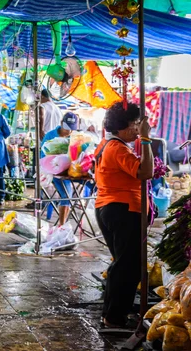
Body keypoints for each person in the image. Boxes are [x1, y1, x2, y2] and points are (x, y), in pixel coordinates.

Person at [95, 102, 153, 328]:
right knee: (128, 266)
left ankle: (111, 313)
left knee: (121, 264)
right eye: (136, 124)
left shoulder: (107, 144)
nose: (139, 128)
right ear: (125, 126)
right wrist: (146, 139)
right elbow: (145, 172)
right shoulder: (117, 148)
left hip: (111, 207)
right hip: (122, 209)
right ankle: (114, 317)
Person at [40, 112, 79, 226]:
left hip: (71, 171)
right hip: (54, 172)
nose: (69, 131)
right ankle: (62, 225)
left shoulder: (74, 137)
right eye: (67, 128)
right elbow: (43, 158)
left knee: (92, 184)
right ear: (61, 123)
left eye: (71, 129)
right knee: (66, 194)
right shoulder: (50, 136)